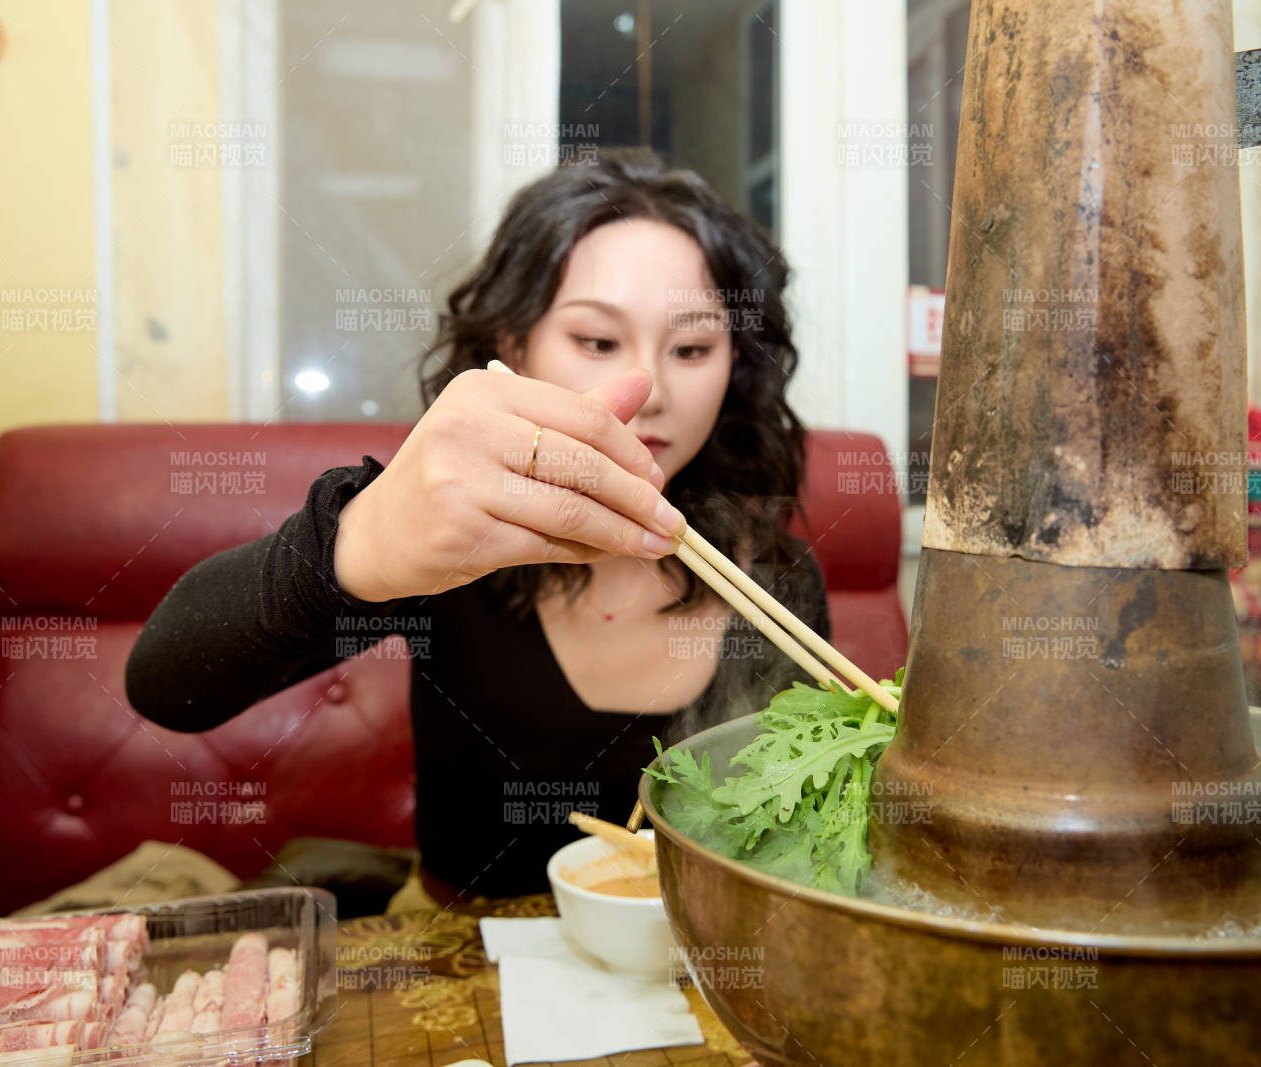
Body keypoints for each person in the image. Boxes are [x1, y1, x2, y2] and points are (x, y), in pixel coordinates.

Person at [125, 148, 832, 905]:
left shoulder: (775, 581)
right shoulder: (455, 536)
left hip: (696, 973)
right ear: (513, 345)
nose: (648, 389)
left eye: (693, 348)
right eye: (597, 341)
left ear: (735, 364)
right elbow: (167, 688)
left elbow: (802, 843)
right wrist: (361, 538)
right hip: (459, 967)